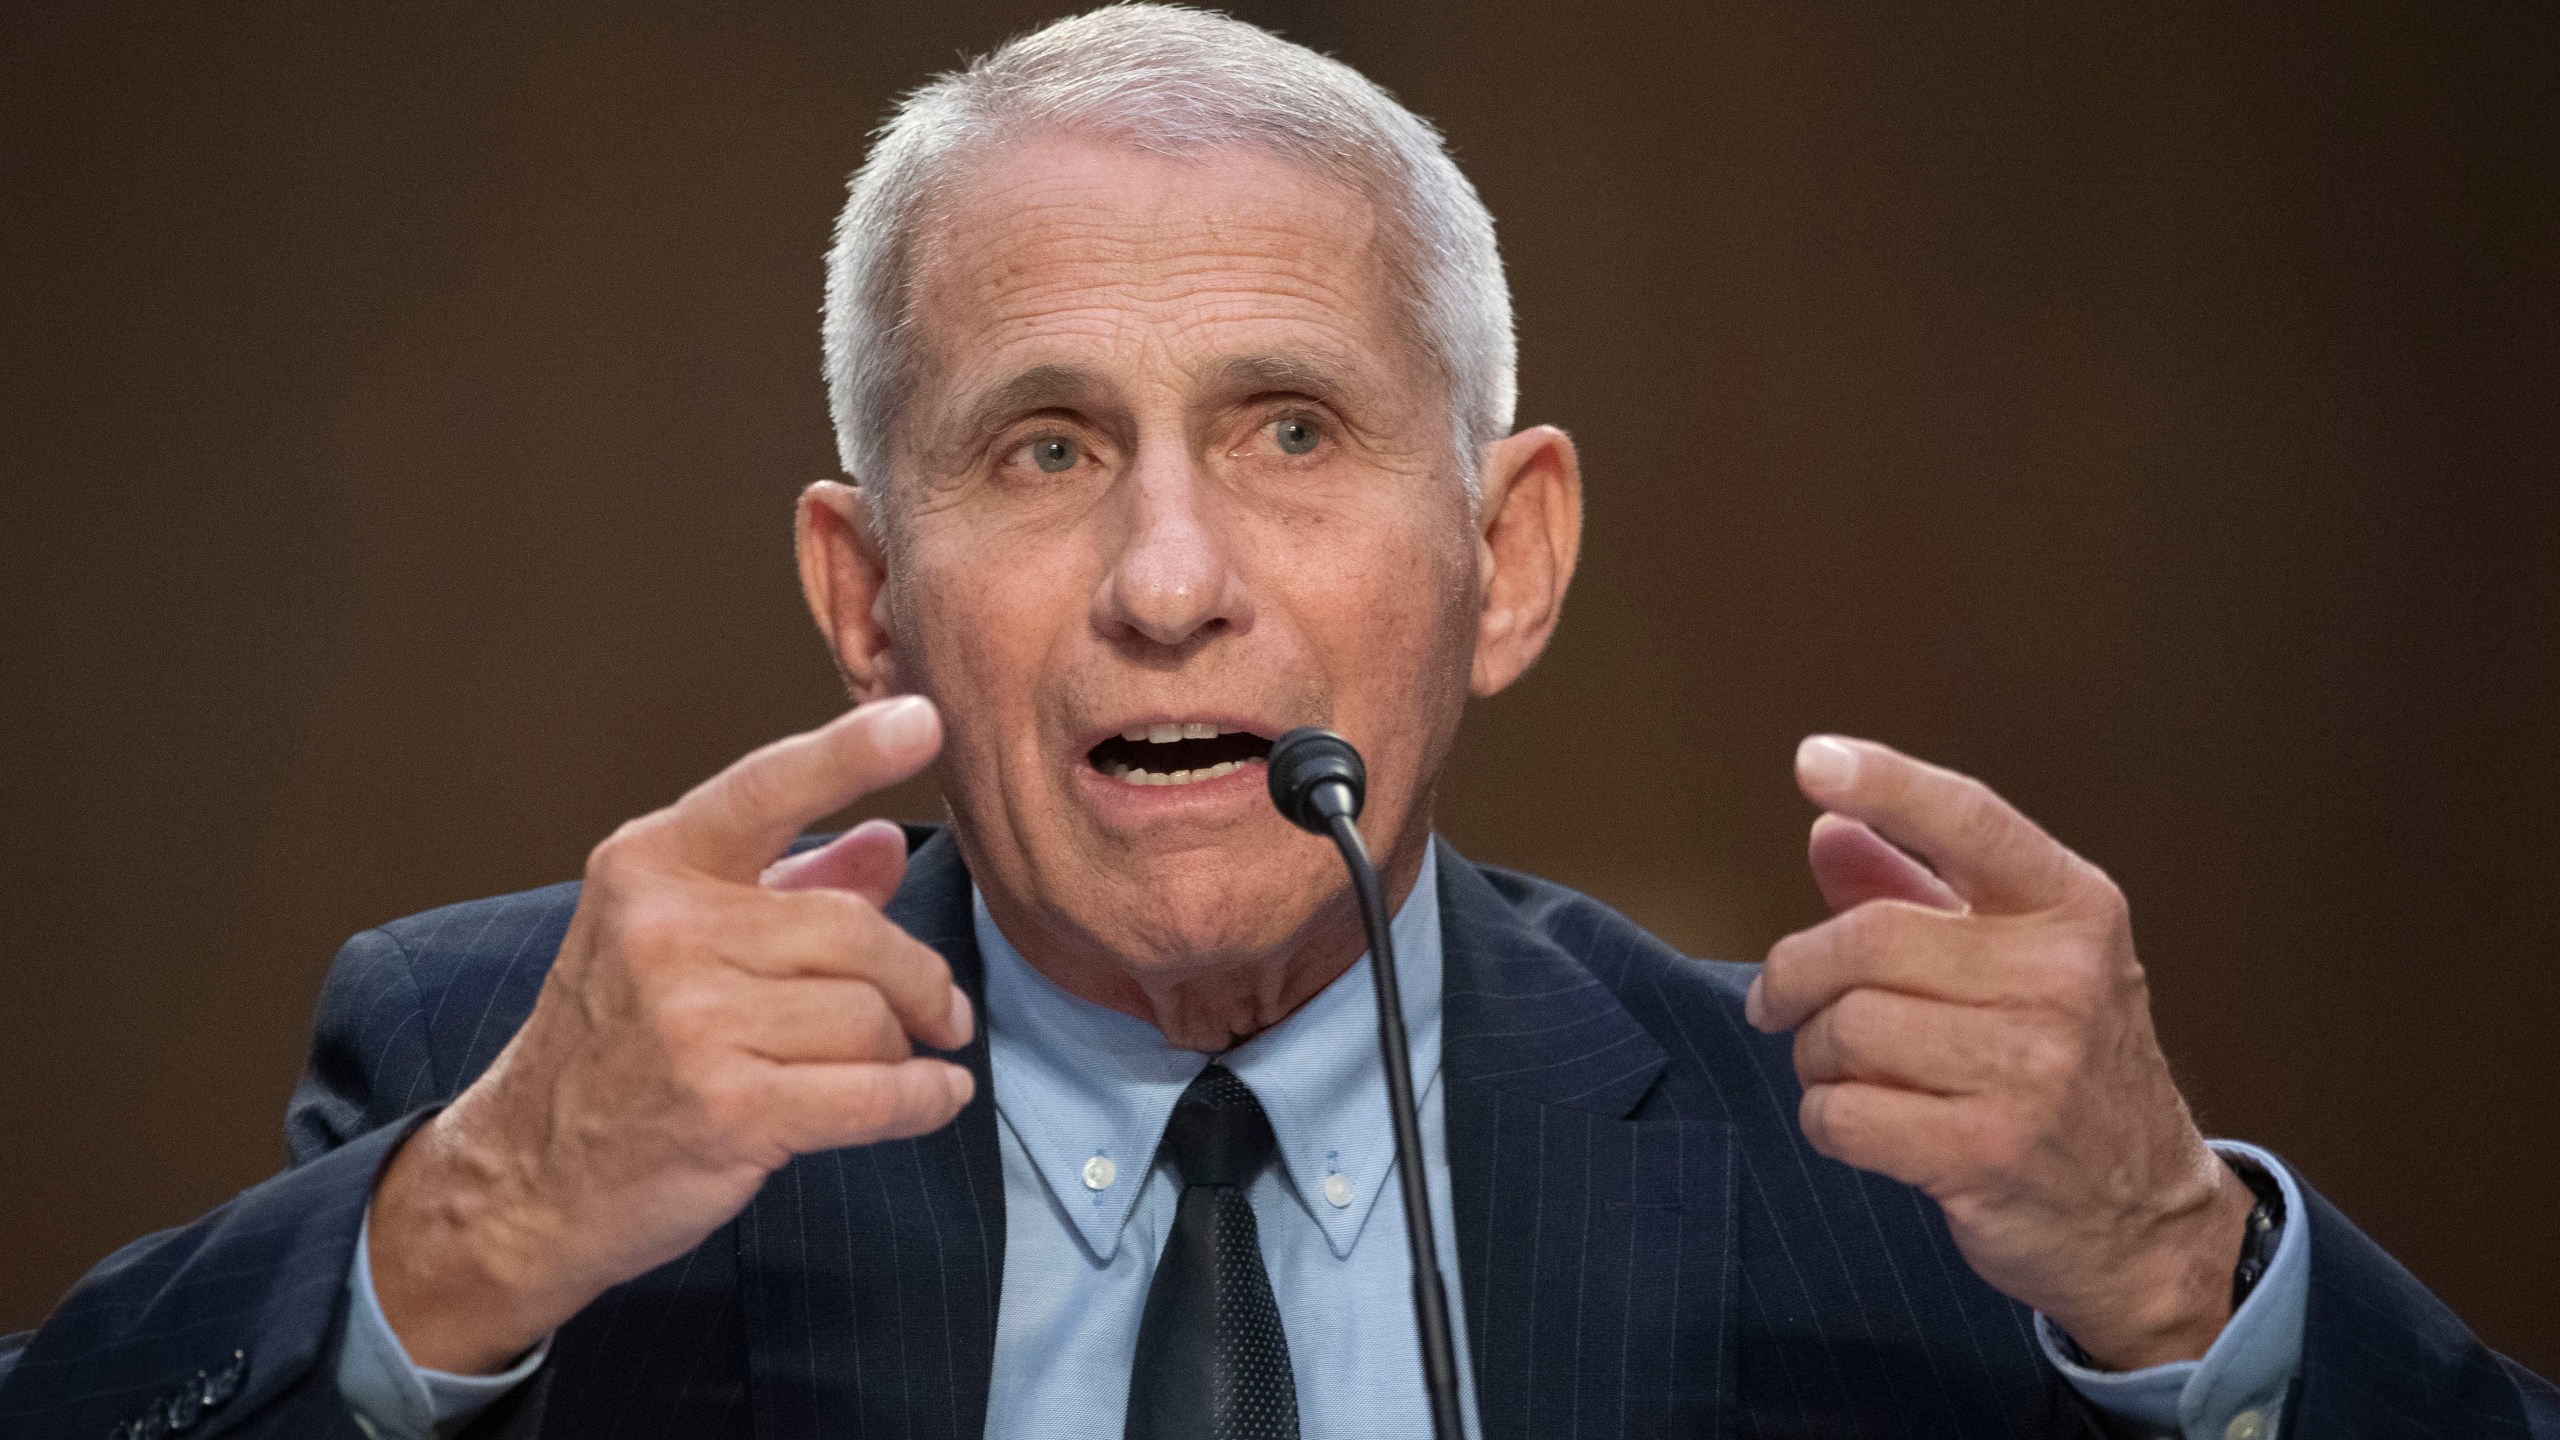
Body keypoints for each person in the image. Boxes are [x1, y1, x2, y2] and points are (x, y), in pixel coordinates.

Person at [2, 8, 2549, 1438]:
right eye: (1042, 448)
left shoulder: (1878, 1176)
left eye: (1292, 432)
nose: (1170, 581)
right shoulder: (502, 1081)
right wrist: (459, 1236)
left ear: (1507, 559)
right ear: (863, 595)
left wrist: (2162, 1261)